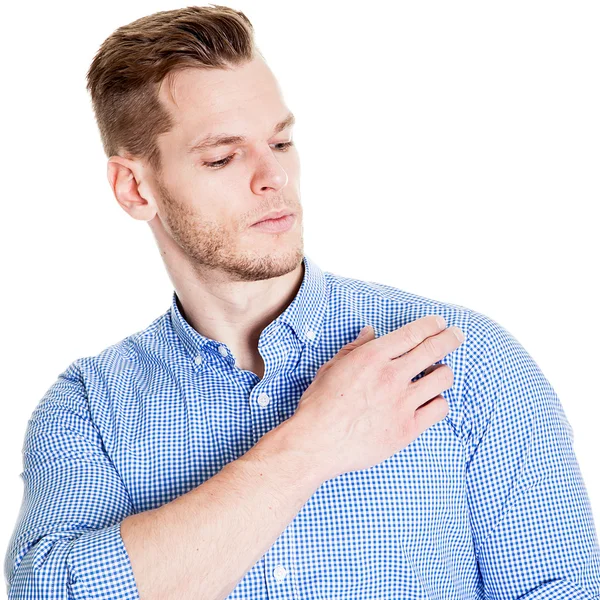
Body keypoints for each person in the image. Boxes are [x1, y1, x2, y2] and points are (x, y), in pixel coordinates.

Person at [4, 4, 600, 599]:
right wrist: (311, 445)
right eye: (223, 156)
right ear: (134, 188)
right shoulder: (87, 413)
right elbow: (48, 590)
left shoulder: (460, 362)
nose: (274, 178)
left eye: (281, 141)